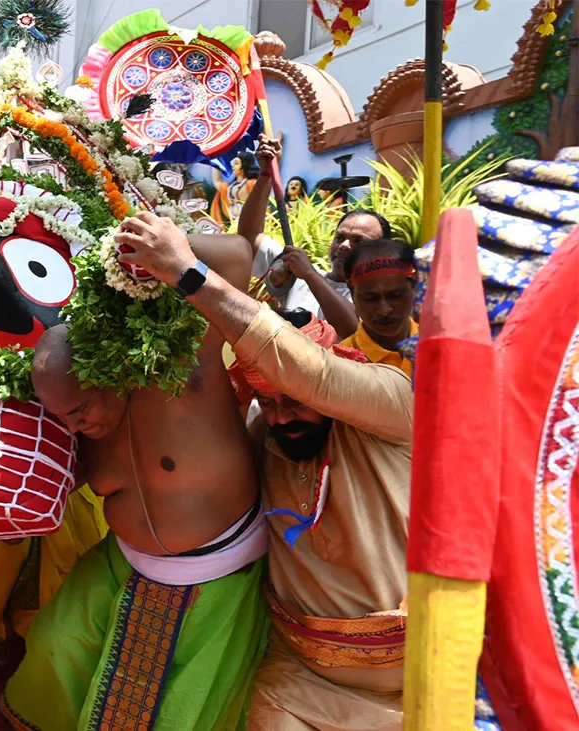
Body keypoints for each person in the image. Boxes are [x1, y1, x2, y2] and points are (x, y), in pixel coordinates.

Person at [111, 210, 412, 731]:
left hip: (413, 675)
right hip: (299, 674)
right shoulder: (269, 439)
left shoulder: (391, 400)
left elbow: (307, 373)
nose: (281, 416)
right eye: (266, 403)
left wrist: (187, 271)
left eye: (292, 402)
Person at [1, 230, 270, 730]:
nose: (74, 427)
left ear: (108, 371)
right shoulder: (78, 431)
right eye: (62, 417)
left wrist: (126, 244)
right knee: (53, 650)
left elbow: (237, 256)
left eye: (80, 409)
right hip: (123, 565)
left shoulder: (180, 368)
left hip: (220, 573)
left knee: (184, 715)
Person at [238, 136, 393, 338]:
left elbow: (351, 331)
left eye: (359, 242)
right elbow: (249, 238)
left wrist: (311, 275)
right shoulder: (296, 275)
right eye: (340, 238)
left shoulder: (384, 298)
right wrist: (266, 174)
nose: (345, 246)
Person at [339, 238, 418, 377]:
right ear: (352, 294)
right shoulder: (338, 366)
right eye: (370, 298)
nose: (384, 310)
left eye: (396, 295)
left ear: (414, 287)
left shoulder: (444, 348)